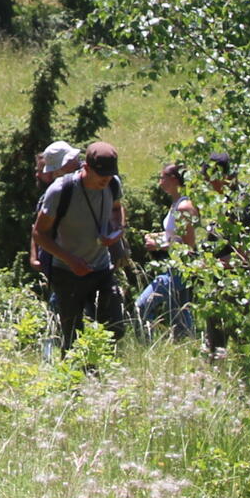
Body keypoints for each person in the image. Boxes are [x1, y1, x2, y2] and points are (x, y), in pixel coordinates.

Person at [33, 140, 126, 350]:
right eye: (101, 175)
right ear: (86, 167)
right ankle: (75, 380)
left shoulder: (113, 184)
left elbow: (117, 208)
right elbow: (39, 233)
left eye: (110, 175)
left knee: (114, 328)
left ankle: (100, 376)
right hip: (67, 272)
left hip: (102, 268)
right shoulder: (60, 190)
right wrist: (70, 259)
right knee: (71, 337)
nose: (106, 180)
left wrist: (118, 230)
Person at [136, 159, 198, 337]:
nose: (160, 183)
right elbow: (173, 234)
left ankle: (145, 343)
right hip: (174, 268)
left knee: (143, 306)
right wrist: (157, 236)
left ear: (174, 179)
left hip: (181, 270)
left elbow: (188, 245)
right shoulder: (176, 204)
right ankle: (186, 349)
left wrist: (158, 245)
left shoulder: (185, 206)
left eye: (162, 178)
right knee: (179, 317)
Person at [28, 141, 81, 276]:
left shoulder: (60, 192)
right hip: (53, 262)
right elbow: (37, 228)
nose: (38, 175)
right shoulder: (49, 195)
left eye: (42, 171)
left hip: (64, 265)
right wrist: (34, 257)